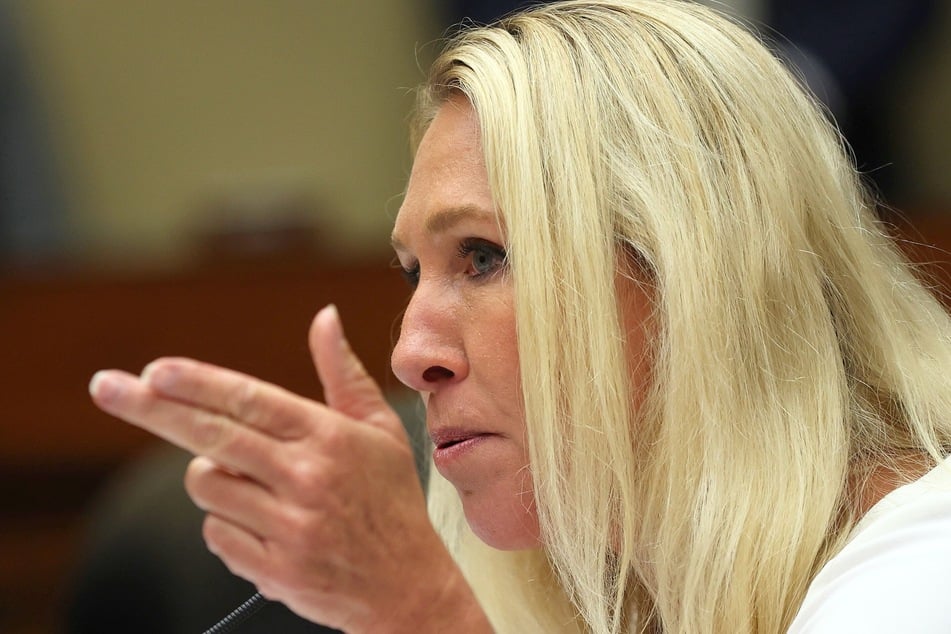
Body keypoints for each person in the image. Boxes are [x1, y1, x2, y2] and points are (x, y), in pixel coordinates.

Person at [88, 1, 951, 632]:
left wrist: (423, 613)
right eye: (410, 275)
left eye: (483, 256)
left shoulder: (923, 572)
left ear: (692, 273)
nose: (408, 353)